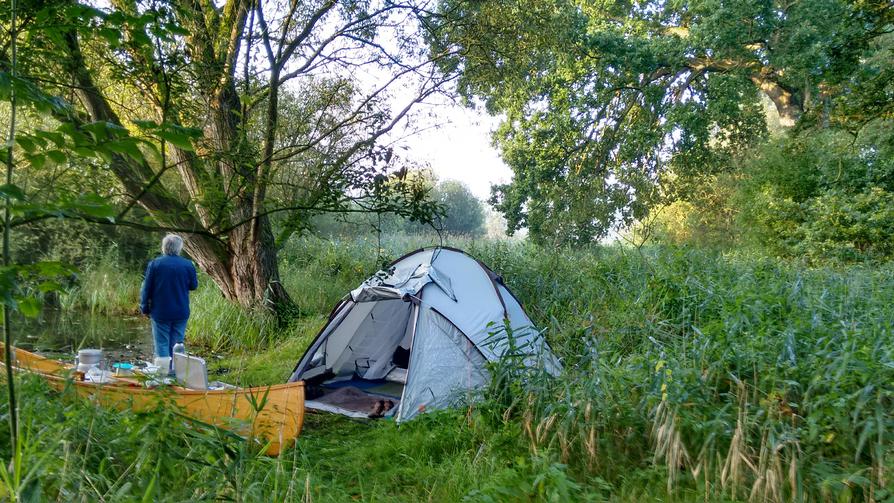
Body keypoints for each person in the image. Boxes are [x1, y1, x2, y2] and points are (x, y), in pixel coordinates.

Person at [140, 234, 198, 370]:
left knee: (161, 343)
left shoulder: (155, 264)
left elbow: (146, 288)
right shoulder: (187, 264)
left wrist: (144, 307)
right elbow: (193, 286)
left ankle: (162, 375)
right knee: (177, 343)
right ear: (180, 248)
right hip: (180, 310)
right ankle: (176, 373)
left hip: (160, 311)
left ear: (164, 247)